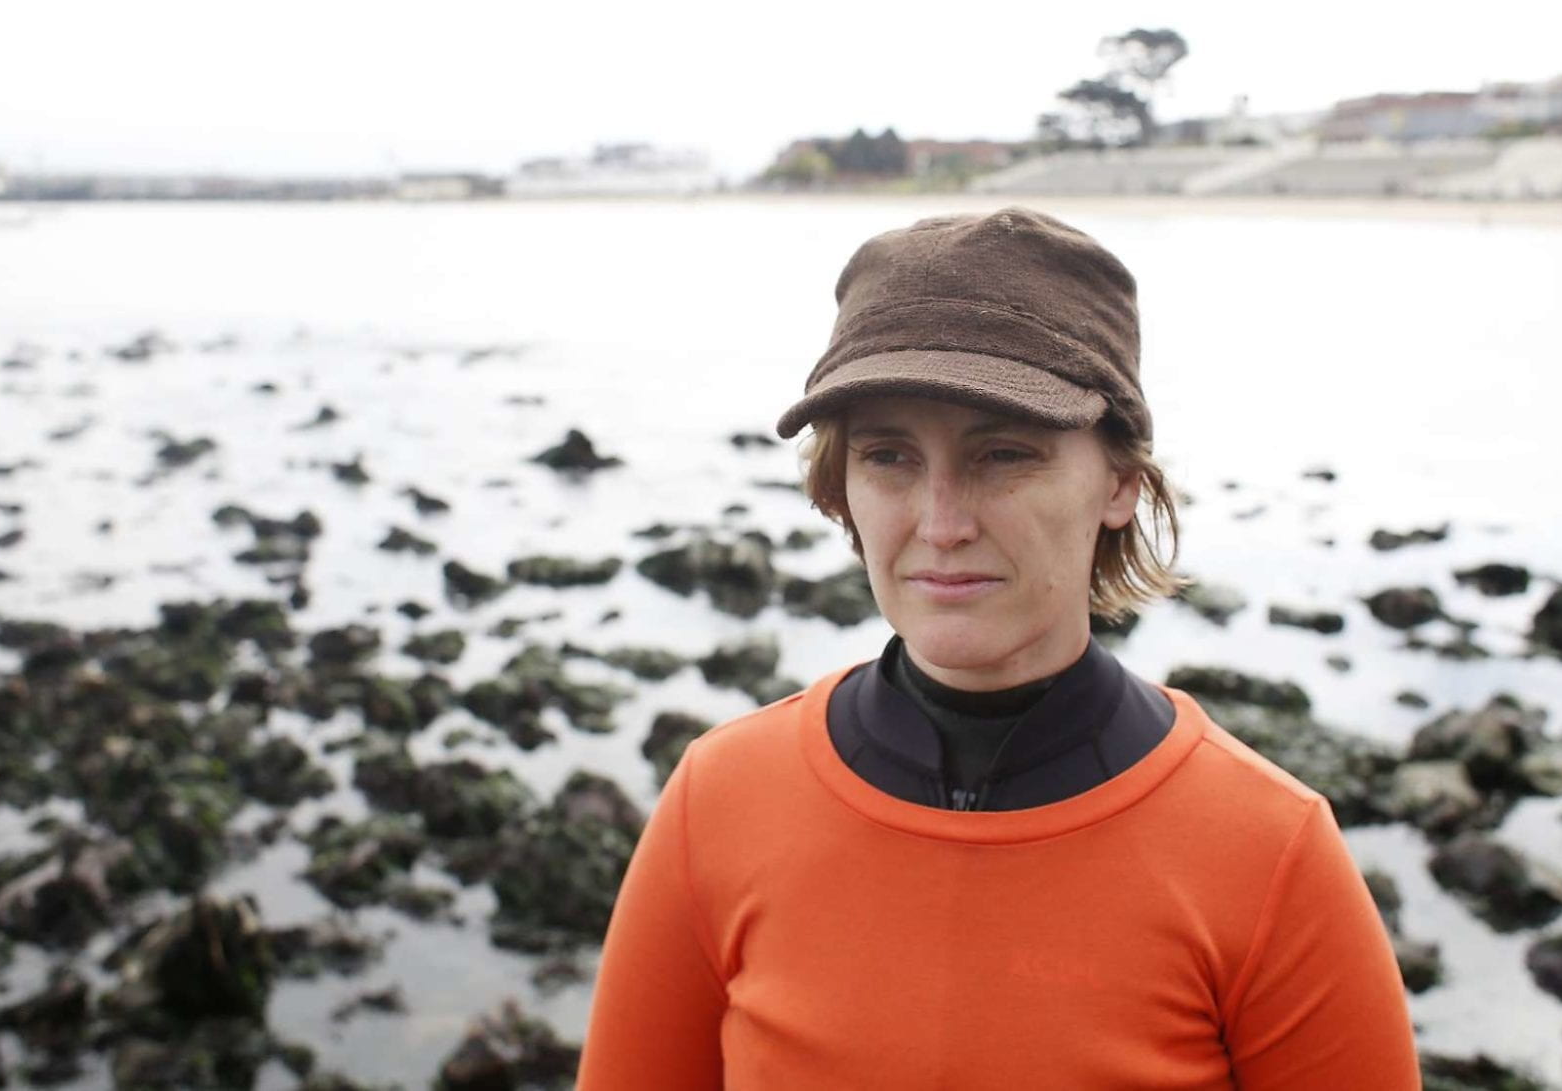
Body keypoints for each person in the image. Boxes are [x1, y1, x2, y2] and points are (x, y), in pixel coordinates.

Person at [578, 207, 1419, 1089]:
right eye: (891, 456)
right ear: (840, 485)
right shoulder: (719, 802)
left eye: (1005, 454)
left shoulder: (1268, 852)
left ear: (1121, 482)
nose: (942, 524)